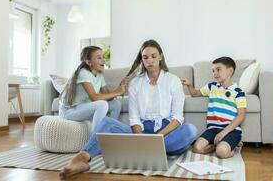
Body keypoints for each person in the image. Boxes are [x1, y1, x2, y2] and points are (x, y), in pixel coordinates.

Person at [59, 39, 197, 178]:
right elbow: (134, 118)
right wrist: (142, 139)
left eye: (154, 56)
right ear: (142, 60)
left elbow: (177, 118)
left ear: (161, 56)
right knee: (107, 123)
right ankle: (82, 158)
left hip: (165, 132)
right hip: (141, 131)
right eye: (145, 57)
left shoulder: (173, 80)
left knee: (190, 130)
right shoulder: (136, 83)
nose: (150, 60)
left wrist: (157, 138)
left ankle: (142, 151)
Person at [181, 56, 246, 158]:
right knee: (197, 148)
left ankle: (233, 147)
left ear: (230, 71)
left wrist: (223, 132)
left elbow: (241, 115)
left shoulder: (238, 92)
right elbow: (195, 93)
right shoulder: (212, 86)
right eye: (213, 71)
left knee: (221, 152)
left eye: (218, 70)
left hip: (230, 131)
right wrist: (189, 85)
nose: (215, 73)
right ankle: (217, 146)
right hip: (213, 129)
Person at [59, 46, 126, 132]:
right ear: (88, 62)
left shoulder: (99, 75)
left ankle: (110, 132)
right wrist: (117, 92)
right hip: (70, 111)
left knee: (116, 104)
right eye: (99, 58)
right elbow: (94, 97)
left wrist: (119, 89)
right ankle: (95, 138)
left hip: (83, 108)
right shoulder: (83, 73)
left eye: (103, 57)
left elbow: (108, 96)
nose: (103, 60)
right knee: (102, 104)